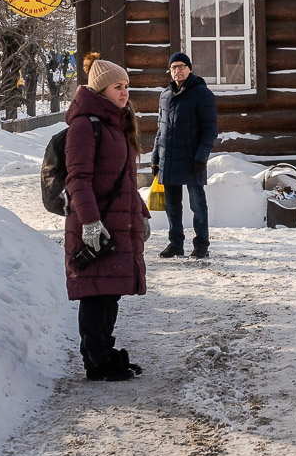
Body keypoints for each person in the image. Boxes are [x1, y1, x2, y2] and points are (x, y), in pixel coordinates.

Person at [64, 52, 148, 381]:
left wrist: (141, 213)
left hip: (116, 223)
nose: (125, 92)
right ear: (100, 91)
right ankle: (96, 361)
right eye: (117, 86)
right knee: (96, 293)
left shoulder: (117, 124)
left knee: (109, 291)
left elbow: (125, 180)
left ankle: (103, 352)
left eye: (126, 86)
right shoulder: (85, 125)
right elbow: (77, 179)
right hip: (96, 223)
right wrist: (90, 223)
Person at [151, 51, 218, 259]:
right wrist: (155, 158)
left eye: (181, 66)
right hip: (168, 158)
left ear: (190, 69)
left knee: (197, 204)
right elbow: (160, 130)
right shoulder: (165, 96)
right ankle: (175, 244)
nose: (177, 71)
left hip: (192, 160)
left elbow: (210, 129)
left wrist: (201, 157)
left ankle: (201, 245)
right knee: (172, 205)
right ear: (169, 71)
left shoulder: (202, 94)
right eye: (173, 67)